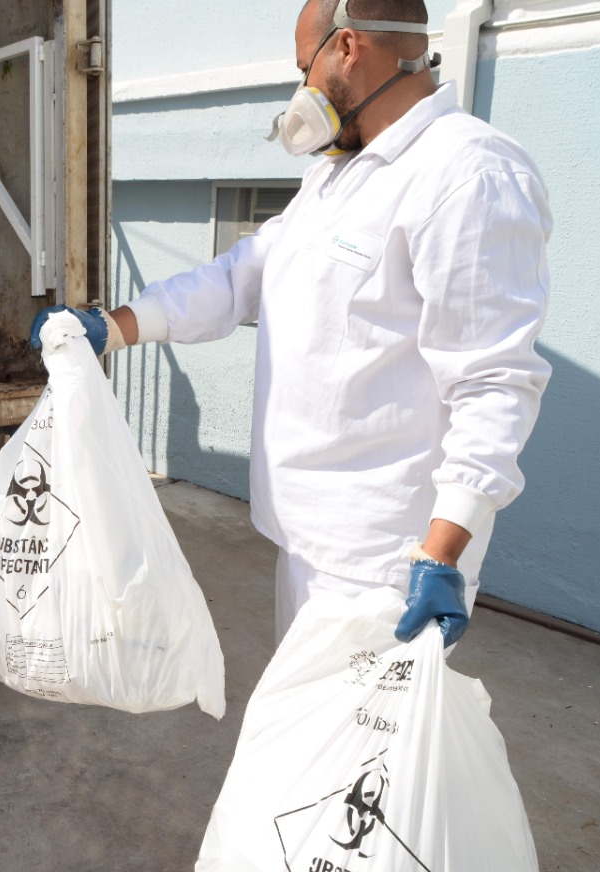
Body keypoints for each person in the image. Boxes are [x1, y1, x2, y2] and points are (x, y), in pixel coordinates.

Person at [32, 0, 552, 646]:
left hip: (389, 558)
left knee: (361, 746)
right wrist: (112, 327)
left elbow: (494, 382)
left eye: (305, 66)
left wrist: (441, 553)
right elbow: (238, 278)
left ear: (348, 49)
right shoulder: (334, 179)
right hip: (305, 537)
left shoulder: (467, 173)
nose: (302, 89)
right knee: (305, 740)